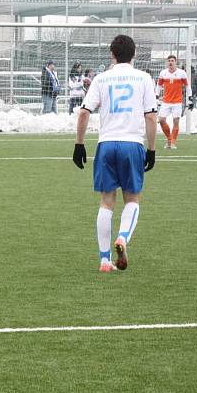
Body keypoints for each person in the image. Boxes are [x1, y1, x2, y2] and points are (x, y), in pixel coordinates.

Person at [73, 34, 157, 273]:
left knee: (106, 201)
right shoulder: (143, 78)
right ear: (135, 53)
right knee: (132, 199)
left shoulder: (101, 78)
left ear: (111, 54)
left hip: (106, 144)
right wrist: (151, 150)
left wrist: (79, 144)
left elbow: (84, 112)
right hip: (132, 144)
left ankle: (103, 259)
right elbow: (151, 116)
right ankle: (122, 237)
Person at [156, 54, 192, 149]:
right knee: (161, 120)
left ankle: (172, 142)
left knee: (176, 121)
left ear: (176, 62)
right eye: (169, 61)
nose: (170, 62)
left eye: (172, 61)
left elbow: (187, 86)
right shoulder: (163, 73)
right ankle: (169, 139)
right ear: (167, 63)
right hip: (166, 102)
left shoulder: (181, 73)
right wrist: (156, 96)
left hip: (177, 102)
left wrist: (190, 98)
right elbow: (159, 86)